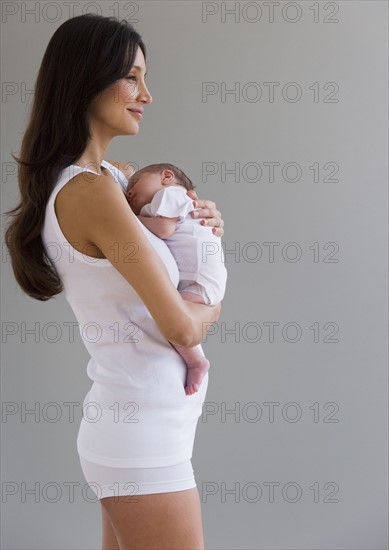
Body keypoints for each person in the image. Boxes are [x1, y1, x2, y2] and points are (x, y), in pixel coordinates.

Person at [4, 14, 225, 550]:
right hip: (141, 440)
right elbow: (183, 326)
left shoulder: (116, 181)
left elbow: (178, 217)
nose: (146, 94)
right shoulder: (91, 195)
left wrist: (207, 224)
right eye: (131, 77)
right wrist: (213, 299)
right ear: (86, 79)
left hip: (143, 431)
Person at [125, 163, 227, 396]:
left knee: (173, 319)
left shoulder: (169, 194)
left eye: (134, 185)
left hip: (200, 279)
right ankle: (195, 361)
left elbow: (163, 228)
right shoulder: (168, 199)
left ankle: (196, 362)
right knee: (175, 318)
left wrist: (130, 220)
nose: (128, 193)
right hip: (203, 278)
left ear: (167, 177)